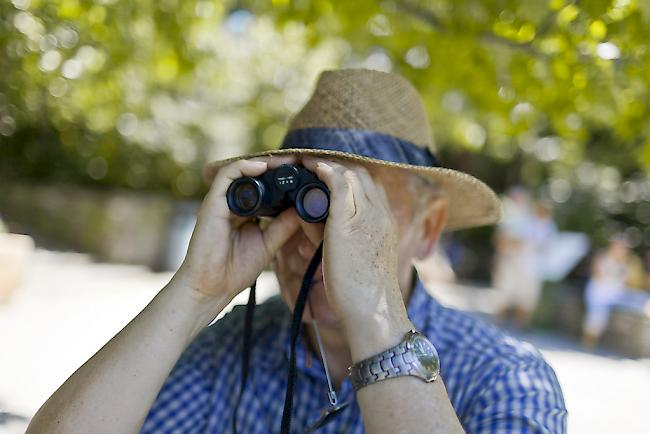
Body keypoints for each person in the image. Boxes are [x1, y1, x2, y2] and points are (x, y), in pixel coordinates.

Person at [27, 69, 566, 433]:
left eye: (359, 210)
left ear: (428, 230)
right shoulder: (229, 352)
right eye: (311, 200)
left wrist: (375, 315)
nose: (317, 239)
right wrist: (194, 294)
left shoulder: (502, 376)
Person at [493, 190, 556, 329]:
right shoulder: (523, 220)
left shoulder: (550, 227)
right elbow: (506, 241)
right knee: (505, 295)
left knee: (527, 299)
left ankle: (520, 327)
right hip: (514, 263)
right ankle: (498, 323)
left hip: (533, 268)